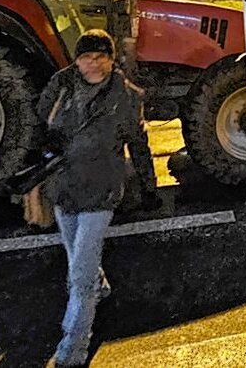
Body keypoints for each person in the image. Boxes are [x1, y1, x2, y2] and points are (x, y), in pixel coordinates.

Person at [38, 29, 157, 367]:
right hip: (63, 187)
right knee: (76, 252)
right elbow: (40, 124)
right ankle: (100, 286)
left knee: (79, 275)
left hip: (101, 189)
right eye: (86, 57)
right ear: (76, 60)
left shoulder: (127, 96)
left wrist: (150, 187)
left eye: (99, 56)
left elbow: (139, 144)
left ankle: (73, 349)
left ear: (110, 58)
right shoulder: (61, 86)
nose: (92, 63)